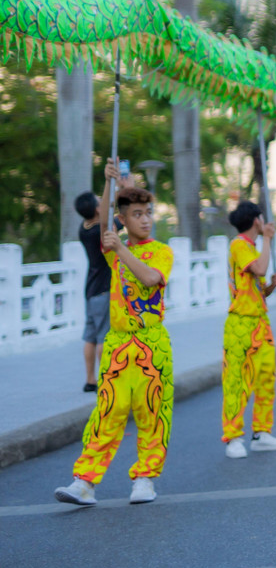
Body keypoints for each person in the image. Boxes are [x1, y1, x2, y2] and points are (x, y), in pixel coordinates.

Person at [55, 159, 174, 506]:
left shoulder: (161, 252)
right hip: (118, 344)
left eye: (148, 212)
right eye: (137, 214)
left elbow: (150, 279)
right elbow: (104, 222)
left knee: (152, 412)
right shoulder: (113, 250)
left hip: (152, 343)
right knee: (108, 410)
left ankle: (145, 479)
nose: (146, 219)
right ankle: (85, 482)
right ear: (124, 219)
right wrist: (109, 182)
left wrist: (121, 248)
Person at [222, 202, 276, 458]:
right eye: (262, 218)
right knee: (237, 382)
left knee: (266, 379)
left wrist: (270, 286)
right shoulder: (239, 245)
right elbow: (259, 268)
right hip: (240, 324)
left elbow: (257, 290)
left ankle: (262, 433)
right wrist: (268, 240)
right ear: (256, 221)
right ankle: (233, 437)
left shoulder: (251, 248)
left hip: (260, 322)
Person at [75, 192, 110, 393]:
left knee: (90, 337)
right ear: (97, 208)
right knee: (103, 337)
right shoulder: (101, 231)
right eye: (99, 200)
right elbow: (120, 220)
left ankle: (90, 380)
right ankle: (104, 380)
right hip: (104, 290)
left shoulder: (84, 229)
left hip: (90, 290)